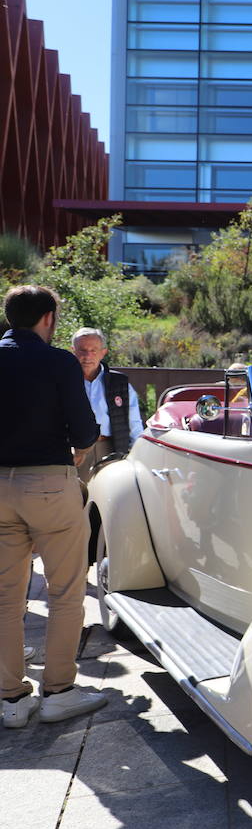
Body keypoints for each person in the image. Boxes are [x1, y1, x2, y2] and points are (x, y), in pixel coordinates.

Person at [0, 285, 107, 728]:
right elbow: (84, 430)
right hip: (49, 482)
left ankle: (11, 699)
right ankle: (58, 691)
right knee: (65, 593)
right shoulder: (59, 361)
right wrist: (79, 450)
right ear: (47, 318)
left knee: (5, 597)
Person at [70, 327, 143, 483]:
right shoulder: (65, 381)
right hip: (76, 452)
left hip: (111, 449)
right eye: (82, 350)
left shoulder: (119, 383)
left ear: (103, 352)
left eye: (93, 350)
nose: (87, 356)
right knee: (78, 499)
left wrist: (137, 453)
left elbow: (134, 422)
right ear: (73, 351)